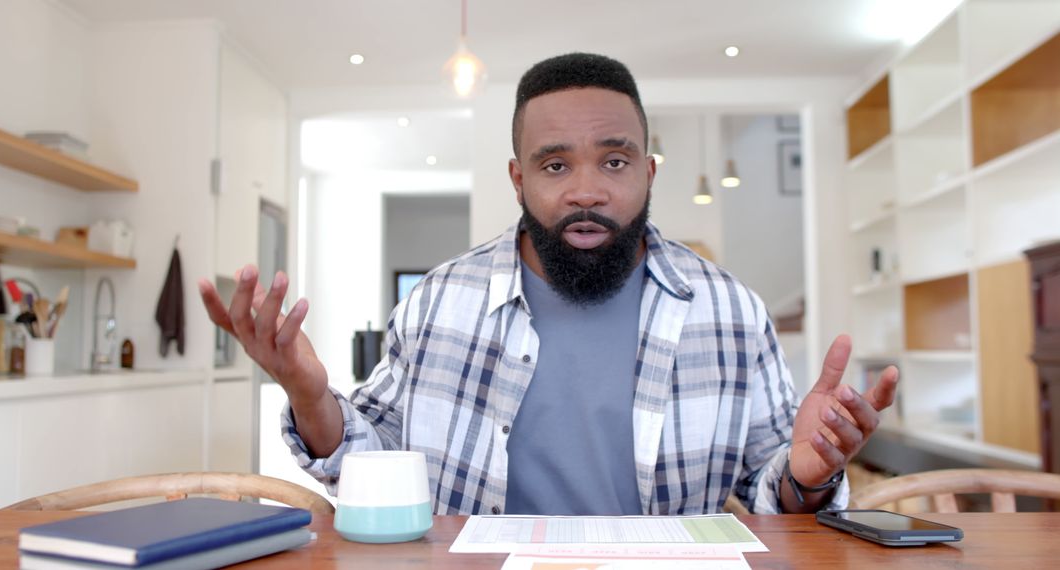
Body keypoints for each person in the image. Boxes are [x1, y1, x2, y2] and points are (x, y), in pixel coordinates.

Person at [199, 53, 898, 516]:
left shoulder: (730, 312)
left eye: (615, 162)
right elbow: (371, 459)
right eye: (556, 166)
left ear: (649, 173)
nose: (586, 191)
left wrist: (809, 472)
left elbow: (779, 493)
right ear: (518, 179)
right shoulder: (439, 301)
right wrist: (313, 398)